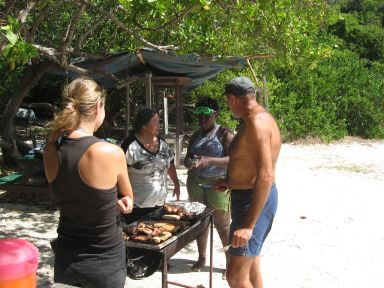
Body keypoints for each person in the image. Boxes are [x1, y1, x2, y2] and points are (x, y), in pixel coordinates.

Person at [43, 77, 134, 288]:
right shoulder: (109, 152)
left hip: (66, 260)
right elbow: (128, 198)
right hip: (104, 262)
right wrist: (124, 201)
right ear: (97, 108)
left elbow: (72, 193)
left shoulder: (50, 150)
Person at [215, 76, 281, 288]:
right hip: (249, 196)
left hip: (253, 202)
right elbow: (250, 163)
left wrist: (248, 225)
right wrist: (231, 181)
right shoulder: (260, 118)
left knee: (235, 276)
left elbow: (266, 175)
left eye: (228, 101)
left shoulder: (255, 123)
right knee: (251, 267)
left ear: (232, 98)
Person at [184, 96, 234, 276]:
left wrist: (210, 161)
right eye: (199, 115)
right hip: (196, 182)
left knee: (223, 225)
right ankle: (202, 257)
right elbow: (187, 157)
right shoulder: (195, 135)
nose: (202, 119)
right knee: (201, 223)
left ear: (215, 114)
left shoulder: (224, 133)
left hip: (218, 184)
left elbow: (234, 159)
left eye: (206, 115)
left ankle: (230, 261)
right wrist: (190, 162)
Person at [121, 108, 180, 223]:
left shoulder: (162, 143)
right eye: (155, 122)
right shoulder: (131, 146)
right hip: (137, 205)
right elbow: (120, 174)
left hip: (159, 202)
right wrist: (123, 197)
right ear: (144, 126)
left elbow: (170, 164)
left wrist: (176, 184)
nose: (159, 125)